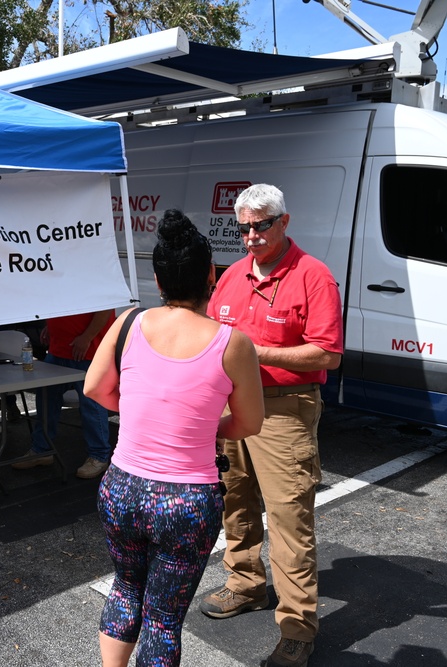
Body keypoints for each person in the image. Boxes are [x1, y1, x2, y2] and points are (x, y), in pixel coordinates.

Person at [83, 209, 264, 667]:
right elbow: (250, 423)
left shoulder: (128, 323)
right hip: (187, 502)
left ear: (158, 280)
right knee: (162, 619)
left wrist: (148, 417)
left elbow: (95, 388)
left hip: (122, 487)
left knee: (126, 588)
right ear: (211, 276)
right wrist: (199, 426)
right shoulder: (232, 343)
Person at [200, 184, 343, 667]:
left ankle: (297, 626)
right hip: (232, 404)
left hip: (285, 407)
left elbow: (327, 353)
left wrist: (254, 353)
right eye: (243, 228)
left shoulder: (313, 276)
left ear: (284, 221)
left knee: (288, 519)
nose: (251, 236)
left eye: (261, 225)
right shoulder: (232, 276)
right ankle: (245, 583)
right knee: (234, 500)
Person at [11, 310, 115, 479]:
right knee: (46, 399)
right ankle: (41, 449)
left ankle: (99, 456)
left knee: (91, 405)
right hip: (60, 348)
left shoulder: (96, 282)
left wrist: (87, 337)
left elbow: (104, 310)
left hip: (87, 351)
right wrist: (50, 325)